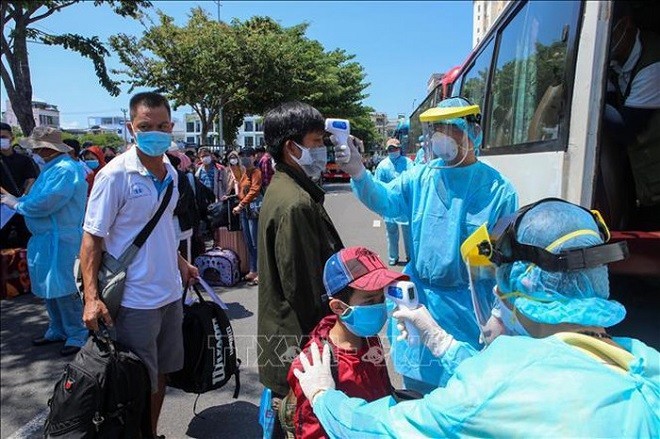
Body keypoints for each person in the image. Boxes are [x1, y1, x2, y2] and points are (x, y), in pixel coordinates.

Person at [293, 199, 659, 437]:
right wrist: (445, 344)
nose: (496, 296)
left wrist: (326, 397)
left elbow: (383, 429)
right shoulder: (642, 363)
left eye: (498, 283)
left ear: (520, 284)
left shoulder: (495, 385)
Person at [331, 97, 518, 393]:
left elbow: (507, 261)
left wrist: (502, 313)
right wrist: (358, 173)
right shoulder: (421, 177)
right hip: (419, 304)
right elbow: (385, 199)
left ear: (474, 130)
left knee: (464, 392)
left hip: (469, 310)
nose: (442, 135)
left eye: (451, 127)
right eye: (437, 128)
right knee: (417, 396)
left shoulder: (498, 189)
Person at [79, 91, 198, 437]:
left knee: (161, 374)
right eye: (146, 126)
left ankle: (151, 432)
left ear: (172, 127)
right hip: (133, 301)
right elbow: (91, 239)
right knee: (133, 382)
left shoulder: (172, 174)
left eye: (162, 125)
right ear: (131, 128)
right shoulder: (114, 175)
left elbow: (160, 231)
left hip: (170, 296)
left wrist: (180, 264)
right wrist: (91, 297)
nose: (155, 132)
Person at [258, 101, 344, 438]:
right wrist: (331, 339)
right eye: (316, 142)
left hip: (288, 341)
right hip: (298, 344)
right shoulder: (295, 203)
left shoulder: (289, 188)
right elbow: (305, 289)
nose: (323, 149)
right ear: (292, 148)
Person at [287, 246, 402, 438]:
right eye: (369, 301)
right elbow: (312, 432)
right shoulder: (315, 365)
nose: (380, 307)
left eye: (382, 298)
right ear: (339, 307)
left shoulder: (368, 337)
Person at [1, 127, 88, 356]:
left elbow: (46, 203)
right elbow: (36, 199)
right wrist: (15, 200)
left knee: (66, 289)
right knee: (50, 289)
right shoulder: (51, 169)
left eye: (38, 147)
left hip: (62, 239)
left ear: (47, 148)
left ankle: (77, 333)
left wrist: (16, 204)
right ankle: (58, 329)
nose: (36, 151)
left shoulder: (65, 170)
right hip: (47, 239)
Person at [604, 3, 660, 226]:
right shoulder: (616, 64)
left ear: (625, 25)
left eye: (608, 34)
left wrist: (595, 92)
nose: (604, 44)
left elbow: (626, 129)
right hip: (643, 189)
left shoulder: (654, 64)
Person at [374, 138, 414, 265]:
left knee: (408, 233)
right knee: (391, 232)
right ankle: (393, 257)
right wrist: (379, 206)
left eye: (395, 148)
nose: (393, 151)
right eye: (390, 149)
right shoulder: (382, 166)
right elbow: (378, 186)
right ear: (387, 150)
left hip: (406, 203)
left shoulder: (408, 163)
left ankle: (410, 257)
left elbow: (413, 180)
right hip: (389, 203)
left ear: (399, 149)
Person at [0, 122, 37, 249]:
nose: (1, 140)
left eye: (3, 137)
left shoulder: (24, 160)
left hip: (22, 205)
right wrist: (8, 196)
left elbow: (31, 178)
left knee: (25, 239)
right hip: (3, 208)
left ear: (12, 137)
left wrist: (23, 196)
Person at [232, 147, 262, 284]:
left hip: (253, 211)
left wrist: (241, 204)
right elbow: (241, 189)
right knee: (249, 243)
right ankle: (253, 269)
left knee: (256, 243)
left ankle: (261, 272)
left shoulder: (256, 172)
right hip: (244, 210)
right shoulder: (245, 173)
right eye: (242, 156)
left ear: (253, 157)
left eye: (247, 155)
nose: (244, 158)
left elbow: (255, 190)